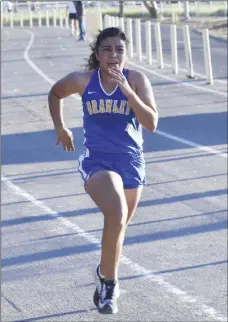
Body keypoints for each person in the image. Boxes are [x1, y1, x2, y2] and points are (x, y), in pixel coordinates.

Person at [48, 27, 158, 314]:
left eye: (119, 50)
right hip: (97, 161)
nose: (113, 55)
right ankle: (111, 286)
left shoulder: (137, 80)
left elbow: (151, 123)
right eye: (107, 50)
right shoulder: (84, 80)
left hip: (132, 161)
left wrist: (129, 93)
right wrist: (61, 128)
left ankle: (103, 272)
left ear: (126, 54)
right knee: (117, 212)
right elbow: (55, 92)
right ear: (97, 55)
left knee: (118, 227)